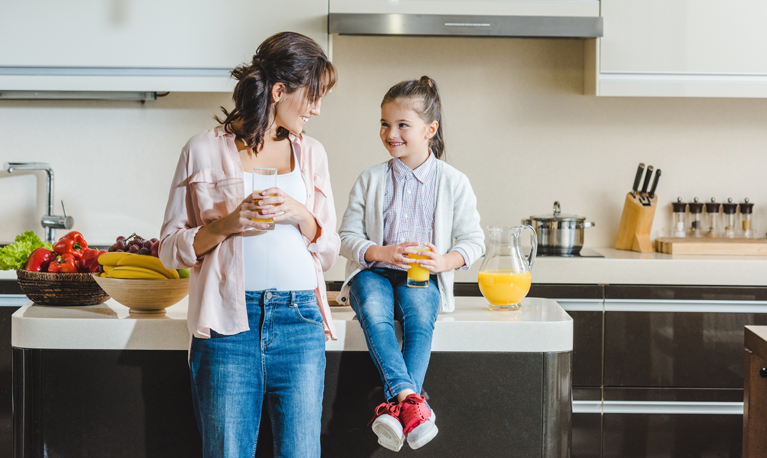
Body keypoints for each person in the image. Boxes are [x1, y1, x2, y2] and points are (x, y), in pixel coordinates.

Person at [158, 31, 339, 458]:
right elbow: (168, 247)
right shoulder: (202, 149)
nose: (317, 109)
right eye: (312, 96)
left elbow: (328, 248)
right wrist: (227, 224)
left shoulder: (312, 154)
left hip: (300, 322)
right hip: (226, 326)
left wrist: (301, 214)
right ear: (279, 91)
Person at [338, 76, 485, 452]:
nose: (391, 133)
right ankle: (412, 403)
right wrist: (380, 252)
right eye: (385, 124)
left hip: (421, 275)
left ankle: (395, 408)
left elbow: (474, 242)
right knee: (373, 309)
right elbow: (345, 238)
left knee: (421, 318)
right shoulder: (371, 179)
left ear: (430, 130)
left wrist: (444, 261)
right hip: (372, 272)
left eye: (403, 124)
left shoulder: (454, 182)